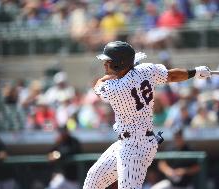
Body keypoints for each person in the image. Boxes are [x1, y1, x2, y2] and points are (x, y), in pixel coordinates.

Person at [83, 41, 211, 189]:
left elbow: (98, 84)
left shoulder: (115, 88)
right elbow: (171, 76)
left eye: (109, 62)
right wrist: (195, 72)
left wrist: (125, 70)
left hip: (137, 147)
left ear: (120, 64)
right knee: (93, 179)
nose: (104, 64)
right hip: (126, 143)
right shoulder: (146, 70)